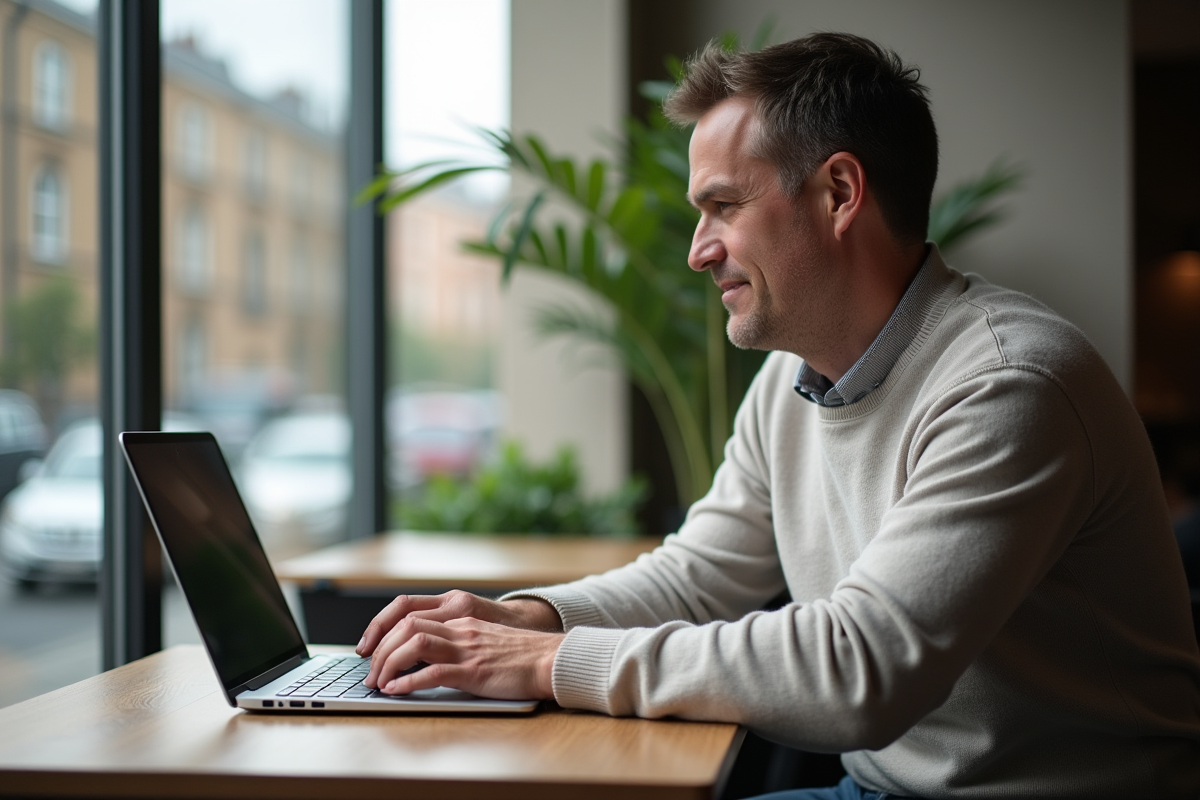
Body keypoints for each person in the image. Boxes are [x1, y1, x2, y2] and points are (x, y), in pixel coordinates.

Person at [356, 33, 1200, 798]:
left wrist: (548, 662)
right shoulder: (790, 380)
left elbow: (860, 670)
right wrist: (528, 617)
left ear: (839, 193)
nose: (699, 250)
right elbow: (698, 577)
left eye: (723, 205)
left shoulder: (1009, 385)